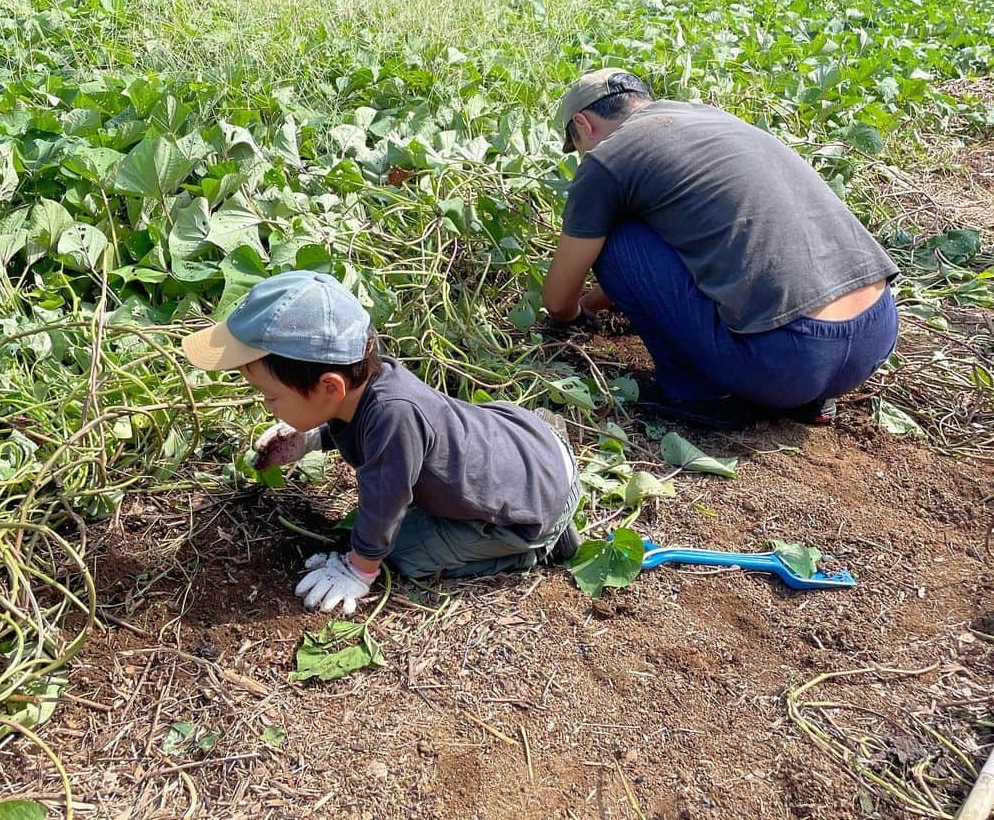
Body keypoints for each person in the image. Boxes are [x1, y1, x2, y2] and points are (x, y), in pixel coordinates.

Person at [181, 271, 581, 614]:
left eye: (271, 397)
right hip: (537, 445)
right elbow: (355, 424)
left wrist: (359, 569)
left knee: (403, 549)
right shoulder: (376, 384)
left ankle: (534, 547)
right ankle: (546, 500)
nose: (269, 407)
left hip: (537, 505)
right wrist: (310, 439)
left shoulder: (393, 418)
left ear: (328, 387)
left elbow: (384, 507)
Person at [541, 68, 900, 430]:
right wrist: (593, 301)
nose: (583, 156)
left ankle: (697, 394)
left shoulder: (607, 157)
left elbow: (557, 302)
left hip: (790, 360)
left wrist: (573, 315)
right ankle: (807, 400)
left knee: (613, 238)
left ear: (583, 124)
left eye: (578, 148)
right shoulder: (712, 120)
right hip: (875, 336)